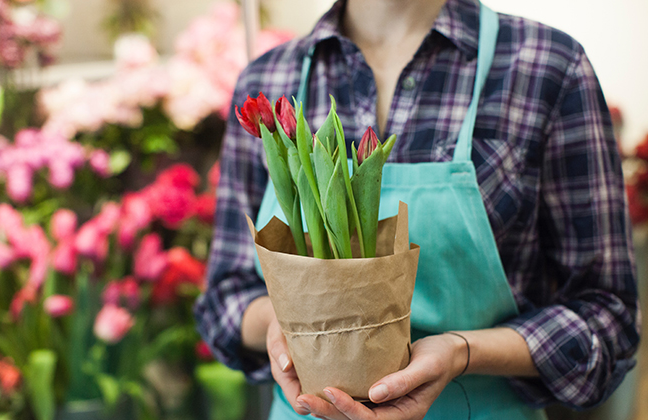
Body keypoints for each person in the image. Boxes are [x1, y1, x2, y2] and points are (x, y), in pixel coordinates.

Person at [194, 0, 641, 419]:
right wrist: (286, 326)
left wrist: (462, 352)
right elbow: (227, 296)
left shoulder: (546, 66)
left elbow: (607, 319)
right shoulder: (271, 78)